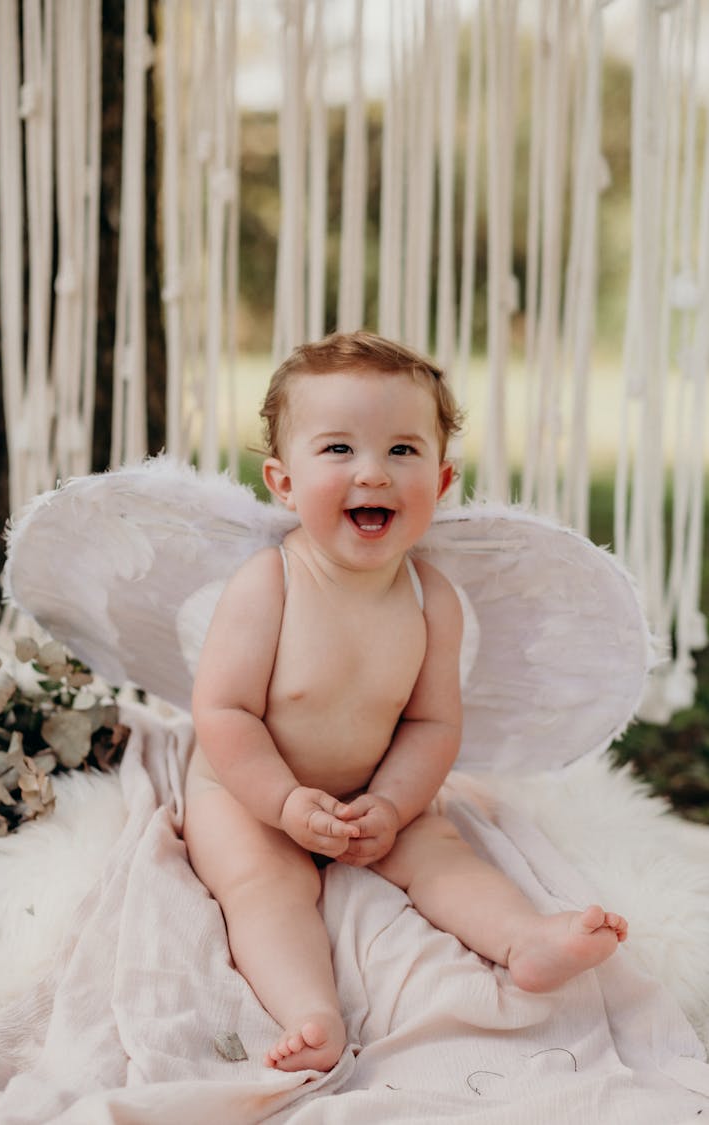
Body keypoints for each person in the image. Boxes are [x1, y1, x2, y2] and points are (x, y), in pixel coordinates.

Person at [184, 330, 628, 1074]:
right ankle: (309, 1010)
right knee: (265, 884)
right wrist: (286, 804)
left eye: (402, 450)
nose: (374, 473)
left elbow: (430, 722)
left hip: (370, 793)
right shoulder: (269, 584)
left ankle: (525, 939)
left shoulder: (432, 600)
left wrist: (391, 803)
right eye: (337, 450)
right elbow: (225, 713)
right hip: (246, 791)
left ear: (444, 479)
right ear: (283, 481)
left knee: (441, 851)